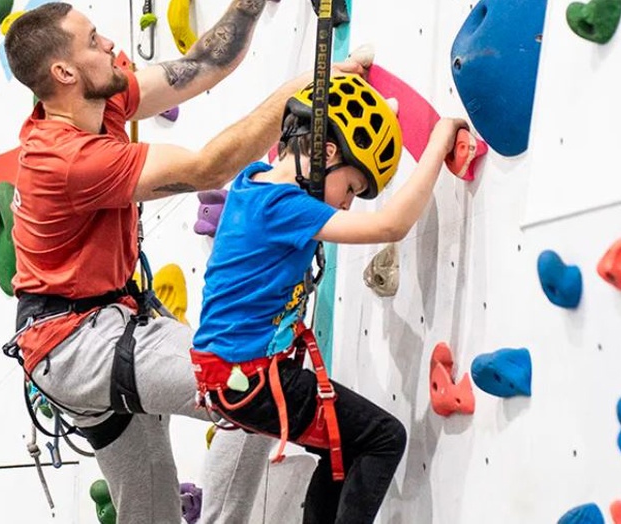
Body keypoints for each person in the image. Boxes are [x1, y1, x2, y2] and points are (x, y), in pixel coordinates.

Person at [2, 2, 368, 522]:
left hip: (89, 331)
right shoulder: (66, 159)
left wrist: (249, 5)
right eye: (93, 40)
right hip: (78, 342)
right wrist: (300, 92)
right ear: (64, 73)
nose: (109, 45)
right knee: (245, 385)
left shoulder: (97, 102)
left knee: (150, 513)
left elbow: (201, 65)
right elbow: (206, 169)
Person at [190, 74, 469, 523]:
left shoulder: (251, 182)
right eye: (353, 189)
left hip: (231, 377)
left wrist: (347, 77)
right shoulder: (283, 207)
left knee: (341, 451)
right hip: (253, 380)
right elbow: (390, 227)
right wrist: (437, 143)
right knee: (382, 438)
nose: (347, 206)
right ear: (325, 153)